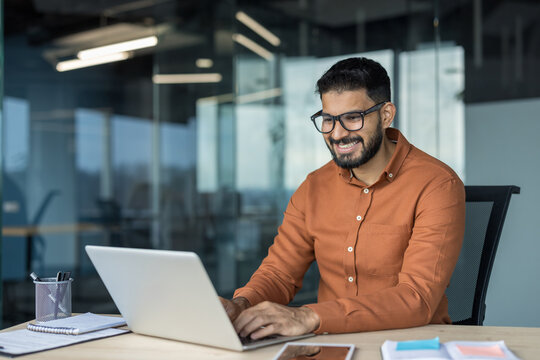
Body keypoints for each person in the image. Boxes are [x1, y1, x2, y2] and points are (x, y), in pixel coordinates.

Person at [220, 57, 465, 340]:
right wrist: (240, 307)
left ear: (386, 115)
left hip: (411, 346)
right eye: (328, 120)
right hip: (331, 343)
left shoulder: (436, 185)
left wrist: (308, 316)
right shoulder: (313, 187)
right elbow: (279, 273)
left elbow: (416, 298)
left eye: (352, 118)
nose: (337, 134)